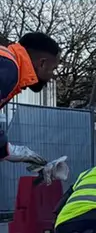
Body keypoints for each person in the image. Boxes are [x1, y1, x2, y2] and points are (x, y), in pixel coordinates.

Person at [0, 33, 62, 166]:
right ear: (42, 63)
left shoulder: (7, 63)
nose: (52, 76)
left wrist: (5, 149)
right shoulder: (8, 69)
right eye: (53, 69)